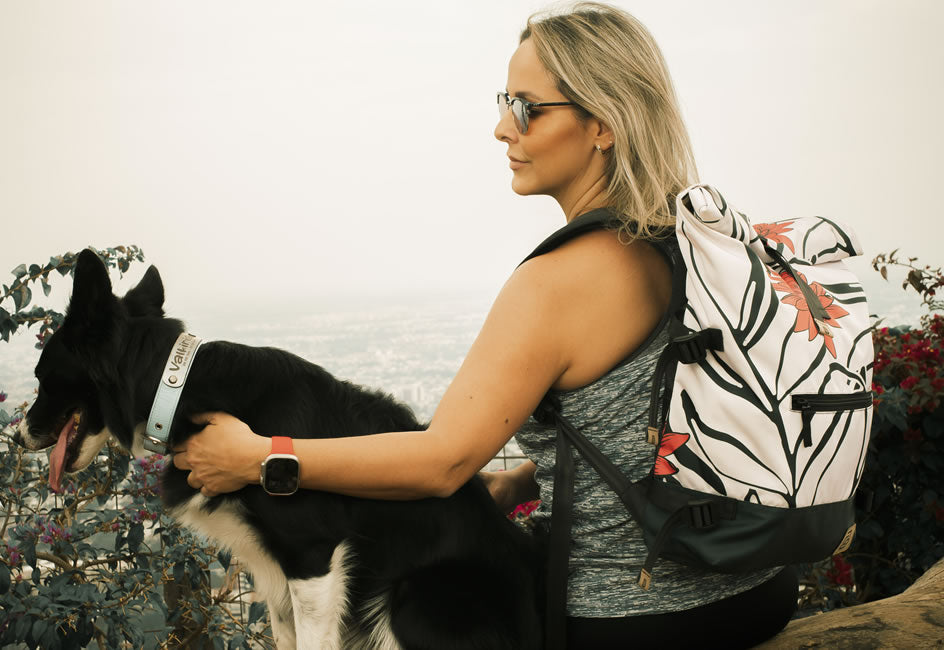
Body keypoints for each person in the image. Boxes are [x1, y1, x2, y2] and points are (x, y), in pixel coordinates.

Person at [172, 3, 797, 647]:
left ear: (603, 125)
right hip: (757, 588)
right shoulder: (690, 240)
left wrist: (260, 457)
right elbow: (660, 418)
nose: (502, 128)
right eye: (504, 102)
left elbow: (441, 461)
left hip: (632, 618)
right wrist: (522, 480)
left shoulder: (560, 281)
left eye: (526, 108)